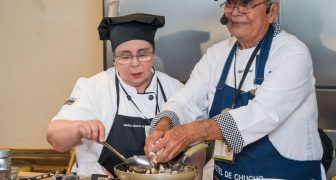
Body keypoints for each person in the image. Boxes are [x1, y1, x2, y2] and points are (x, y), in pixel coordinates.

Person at [144, 0, 327, 179]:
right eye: (230, 3)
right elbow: (187, 100)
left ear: (271, 11)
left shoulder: (293, 53)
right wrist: (164, 124)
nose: (235, 11)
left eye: (247, 3)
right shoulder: (217, 54)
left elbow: (263, 113)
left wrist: (189, 132)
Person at [46, 13, 184, 177]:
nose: (135, 63)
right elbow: (55, 138)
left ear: (153, 54)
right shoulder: (94, 87)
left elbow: (196, 148)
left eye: (143, 54)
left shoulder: (176, 89)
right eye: (125, 56)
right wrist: (78, 128)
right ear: (114, 59)